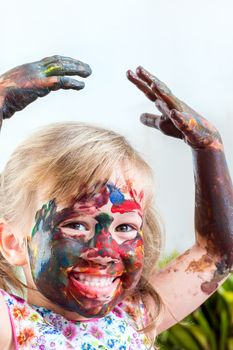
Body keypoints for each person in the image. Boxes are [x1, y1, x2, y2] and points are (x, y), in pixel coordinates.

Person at [0, 55, 232, 350]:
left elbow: (216, 253)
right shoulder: (14, 326)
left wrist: (209, 148)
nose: (105, 250)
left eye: (125, 228)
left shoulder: (135, 317)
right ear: (12, 242)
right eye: (75, 225)